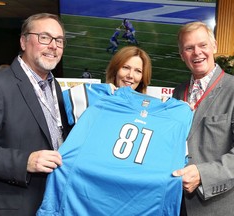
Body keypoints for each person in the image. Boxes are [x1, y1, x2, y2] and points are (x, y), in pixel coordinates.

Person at [37, 46, 193, 215]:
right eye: (125, 67)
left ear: (143, 76)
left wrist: (184, 111)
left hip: (136, 201)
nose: (130, 75)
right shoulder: (97, 96)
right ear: (116, 68)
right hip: (86, 196)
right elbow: (49, 106)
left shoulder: (176, 114)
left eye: (137, 71)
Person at [0, 13, 71, 216]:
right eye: (44, 37)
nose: (53, 46)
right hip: (9, 208)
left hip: (50, 204)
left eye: (59, 40)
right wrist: (25, 161)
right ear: (23, 41)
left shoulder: (54, 87)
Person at [172, 21, 234, 216]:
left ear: (214, 46)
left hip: (221, 209)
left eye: (203, 45)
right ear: (182, 56)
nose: (197, 52)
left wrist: (203, 175)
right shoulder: (178, 92)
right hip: (179, 206)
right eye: (189, 48)